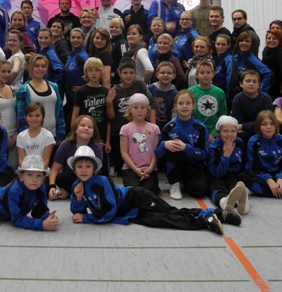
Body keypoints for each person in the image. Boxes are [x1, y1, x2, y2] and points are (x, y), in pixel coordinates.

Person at [69, 146, 239, 234]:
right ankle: (205, 221)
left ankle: (217, 213)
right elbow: (76, 211)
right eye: (80, 166)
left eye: (88, 166)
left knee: (170, 211)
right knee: (167, 221)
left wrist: (87, 218)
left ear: (95, 169)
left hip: (136, 198)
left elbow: (108, 210)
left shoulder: (102, 181)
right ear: (74, 169)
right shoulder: (77, 185)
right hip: (131, 214)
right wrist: (78, 198)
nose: (84, 170)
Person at [155, 90, 209, 200]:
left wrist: (186, 147)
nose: (184, 106)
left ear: (193, 106)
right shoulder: (169, 127)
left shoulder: (200, 128)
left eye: (188, 103)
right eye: (180, 103)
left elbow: (203, 154)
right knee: (174, 150)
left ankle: (186, 182)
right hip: (175, 165)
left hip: (194, 166)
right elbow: (158, 154)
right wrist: (164, 144)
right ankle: (174, 184)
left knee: (199, 190)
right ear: (175, 106)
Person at [106, 58, 156, 175]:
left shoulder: (139, 85)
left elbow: (152, 103)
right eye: (125, 73)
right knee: (121, 170)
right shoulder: (115, 90)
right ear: (119, 73)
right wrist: (109, 103)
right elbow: (111, 117)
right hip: (119, 131)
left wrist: (153, 127)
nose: (128, 76)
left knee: (141, 162)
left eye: (131, 73)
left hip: (139, 131)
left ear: (135, 73)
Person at [48, 115, 104, 200]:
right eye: (82, 125)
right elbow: (55, 169)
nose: (86, 128)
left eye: (90, 127)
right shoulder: (65, 145)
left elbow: (94, 173)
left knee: (103, 181)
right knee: (60, 178)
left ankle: (74, 191)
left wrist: (70, 190)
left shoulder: (97, 148)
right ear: (75, 129)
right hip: (70, 177)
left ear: (93, 133)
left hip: (89, 178)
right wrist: (51, 187)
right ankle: (79, 191)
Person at [16, 54, 65, 141]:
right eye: (37, 66)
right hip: (32, 136)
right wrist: (25, 136)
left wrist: (61, 132)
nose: (40, 69)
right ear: (31, 68)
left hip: (53, 135)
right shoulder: (24, 90)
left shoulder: (54, 87)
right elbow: (21, 116)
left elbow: (60, 111)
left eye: (43, 66)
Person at [119, 94, 161, 194]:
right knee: (134, 191)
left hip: (149, 169)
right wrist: (136, 170)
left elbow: (156, 151)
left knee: (150, 191)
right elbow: (124, 153)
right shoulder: (125, 128)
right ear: (130, 110)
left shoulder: (154, 128)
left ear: (147, 110)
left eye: (142, 107)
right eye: (135, 107)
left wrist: (150, 168)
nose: (139, 110)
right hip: (130, 169)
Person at [72, 58, 110, 169]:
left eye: (97, 70)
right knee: (84, 163)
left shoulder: (105, 92)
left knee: (101, 167)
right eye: (90, 70)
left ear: (101, 72)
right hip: (84, 134)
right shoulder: (81, 91)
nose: (94, 73)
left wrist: (108, 140)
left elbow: (108, 119)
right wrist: (73, 133)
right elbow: (75, 115)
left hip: (101, 134)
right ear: (86, 72)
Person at [208, 116, 248, 213]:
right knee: (217, 187)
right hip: (217, 176)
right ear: (219, 132)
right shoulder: (214, 147)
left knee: (236, 185)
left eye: (233, 131)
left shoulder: (239, 143)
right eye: (225, 131)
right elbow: (216, 173)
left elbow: (243, 164)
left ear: (237, 132)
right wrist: (226, 155)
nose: (229, 134)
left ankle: (243, 202)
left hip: (233, 175)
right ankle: (223, 201)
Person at [189, 60, 228, 142]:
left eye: (208, 72)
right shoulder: (191, 92)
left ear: (213, 74)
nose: (205, 75)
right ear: (197, 75)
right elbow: (189, 114)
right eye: (202, 73)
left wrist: (214, 133)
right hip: (195, 130)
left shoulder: (220, 92)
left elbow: (223, 115)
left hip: (214, 132)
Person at [231, 70, 273, 143]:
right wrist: (245, 126)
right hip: (245, 132)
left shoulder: (266, 99)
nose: (251, 84)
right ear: (241, 84)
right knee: (242, 135)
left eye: (254, 81)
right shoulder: (237, 99)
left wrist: (243, 126)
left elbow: (267, 122)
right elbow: (238, 121)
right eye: (248, 81)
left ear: (259, 85)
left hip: (263, 130)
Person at [64, 28, 89, 129]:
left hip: (78, 100)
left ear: (83, 39)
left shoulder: (83, 57)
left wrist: (83, 88)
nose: (75, 40)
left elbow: (92, 78)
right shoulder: (71, 56)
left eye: (78, 38)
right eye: (73, 37)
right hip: (69, 99)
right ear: (69, 39)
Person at [17, 102, 56, 167]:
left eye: (37, 116)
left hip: (42, 170)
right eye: (30, 115)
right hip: (25, 170)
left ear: (42, 117)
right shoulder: (21, 136)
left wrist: (37, 172)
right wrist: (27, 171)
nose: (33, 118)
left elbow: (46, 161)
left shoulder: (48, 136)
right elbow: (21, 160)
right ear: (25, 117)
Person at [148, 61, 178, 131]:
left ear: (174, 76)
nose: (165, 75)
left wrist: (171, 127)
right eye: (162, 72)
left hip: (166, 126)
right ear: (157, 75)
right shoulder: (150, 89)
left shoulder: (175, 93)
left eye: (169, 73)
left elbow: (174, 113)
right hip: (149, 124)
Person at [262, 29, 282, 99]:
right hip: (267, 85)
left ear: (279, 40)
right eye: (269, 38)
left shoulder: (281, 53)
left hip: (277, 88)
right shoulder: (265, 51)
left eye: (274, 38)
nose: (271, 40)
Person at [212, 34, 235, 105]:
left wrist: (227, 98)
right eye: (218, 44)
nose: (220, 47)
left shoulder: (229, 60)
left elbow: (230, 79)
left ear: (228, 45)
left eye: (223, 45)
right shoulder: (213, 59)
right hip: (213, 93)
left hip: (223, 95)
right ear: (215, 44)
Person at [109, 17, 127, 84]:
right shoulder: (109, 41)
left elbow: (124, 59)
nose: (114, 29)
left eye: (116, 27)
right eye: (112, 27)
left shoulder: (122, 43)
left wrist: (116, 73)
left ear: (121, 29)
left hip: (117, 78)